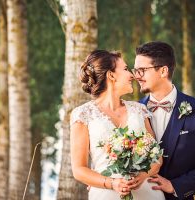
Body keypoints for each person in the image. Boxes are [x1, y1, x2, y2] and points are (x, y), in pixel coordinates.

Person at [70, 50, 165, 200]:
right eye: (126, 69)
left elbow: (157, 157)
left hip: (149, 193)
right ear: (111, 75)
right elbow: (79, 169)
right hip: (106, 194)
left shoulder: (139, 110)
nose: (132, 75)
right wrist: (111, 183)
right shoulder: (83, 114)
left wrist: (142, 175)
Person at [132, 41, 195, 200]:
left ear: (163, 71)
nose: (136, 76)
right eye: (135, 70)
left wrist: (176, 186)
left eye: (142, 70)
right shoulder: (132, 111)